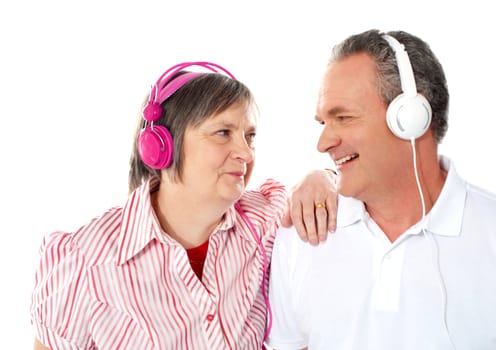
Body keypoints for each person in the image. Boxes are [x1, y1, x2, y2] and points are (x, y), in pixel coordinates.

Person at [30, 61, 337, 349]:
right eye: (223, 133)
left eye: (249, 136)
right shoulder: (84, 258)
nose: (245, 152)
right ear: (161, 147)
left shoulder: (265, 219)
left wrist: (323, 175)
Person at [267, 29, 496, 349]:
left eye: (343, 118)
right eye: (323, 123)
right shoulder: (303, 233)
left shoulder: (490, 233)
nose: (323, 143)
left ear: (412, 117)